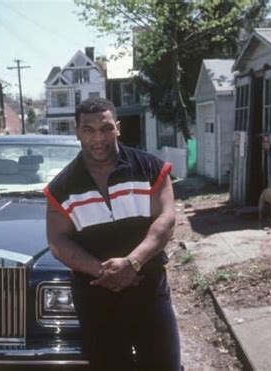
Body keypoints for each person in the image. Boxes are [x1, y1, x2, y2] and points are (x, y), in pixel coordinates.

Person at [44, 97, 181, 371]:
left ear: (117, 127)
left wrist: (133, 262)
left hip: (148, 288)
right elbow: (57, 240)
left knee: (163, 365)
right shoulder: (61, 187)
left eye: (106, 128)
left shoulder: (151, 169)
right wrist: (102, 271)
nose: (98, 138)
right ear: (77, 132)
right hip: (96, 297)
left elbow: (166, 219)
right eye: (89, 129)